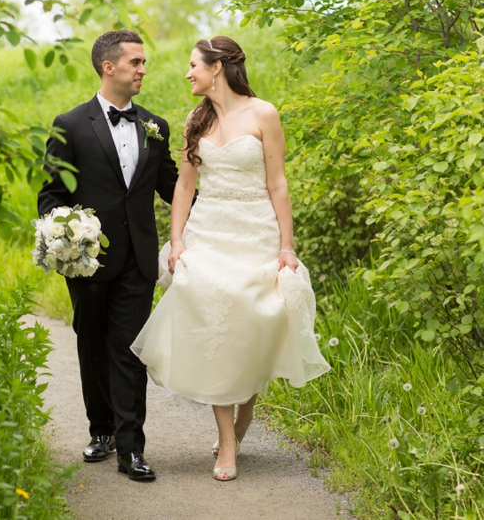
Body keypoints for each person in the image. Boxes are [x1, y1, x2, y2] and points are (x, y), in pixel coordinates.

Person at [130, 36, 331, 482]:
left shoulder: (264, 114)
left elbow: (278, 184)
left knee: (256, 322)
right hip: (207, 234)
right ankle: (227, 443)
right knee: (212, 325)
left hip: (255, 231)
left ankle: (245, 413)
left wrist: (286, 246)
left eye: (193, 66)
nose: (188, 74)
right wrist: (177, 240)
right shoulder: (195, 121)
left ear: (216, 68)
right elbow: (183, 187)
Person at [38, 30, 180, 481]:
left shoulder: (155, 126)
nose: (143, 69)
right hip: (87, 261)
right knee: (92, 344)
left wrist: (214, 213)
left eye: (143, 62)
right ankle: (100, 430)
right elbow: (52, 195)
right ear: (109, 67)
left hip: (138, 259)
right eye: (136, 62)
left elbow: (174, 188)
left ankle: (131, 449)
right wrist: (66, 235)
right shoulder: (71, 124)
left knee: (129, 351)